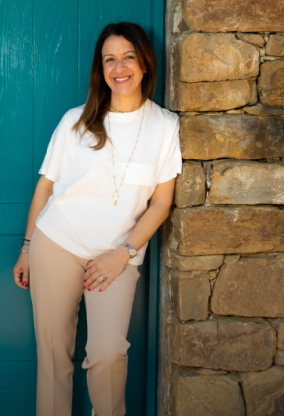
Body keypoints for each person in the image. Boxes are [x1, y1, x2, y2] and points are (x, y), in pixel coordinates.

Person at [12, 22, 181, 416]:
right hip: (56, 244)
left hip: (117, 256)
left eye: (128, 57)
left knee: (108, 354)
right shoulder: (76, 121)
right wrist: (27, 247)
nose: (119, 67)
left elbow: (160, 204)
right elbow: (45, 188)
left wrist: (124, 253)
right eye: (109, 59)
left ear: (144, 63)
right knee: (53, 356)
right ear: (100, 68)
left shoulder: (165, 126)